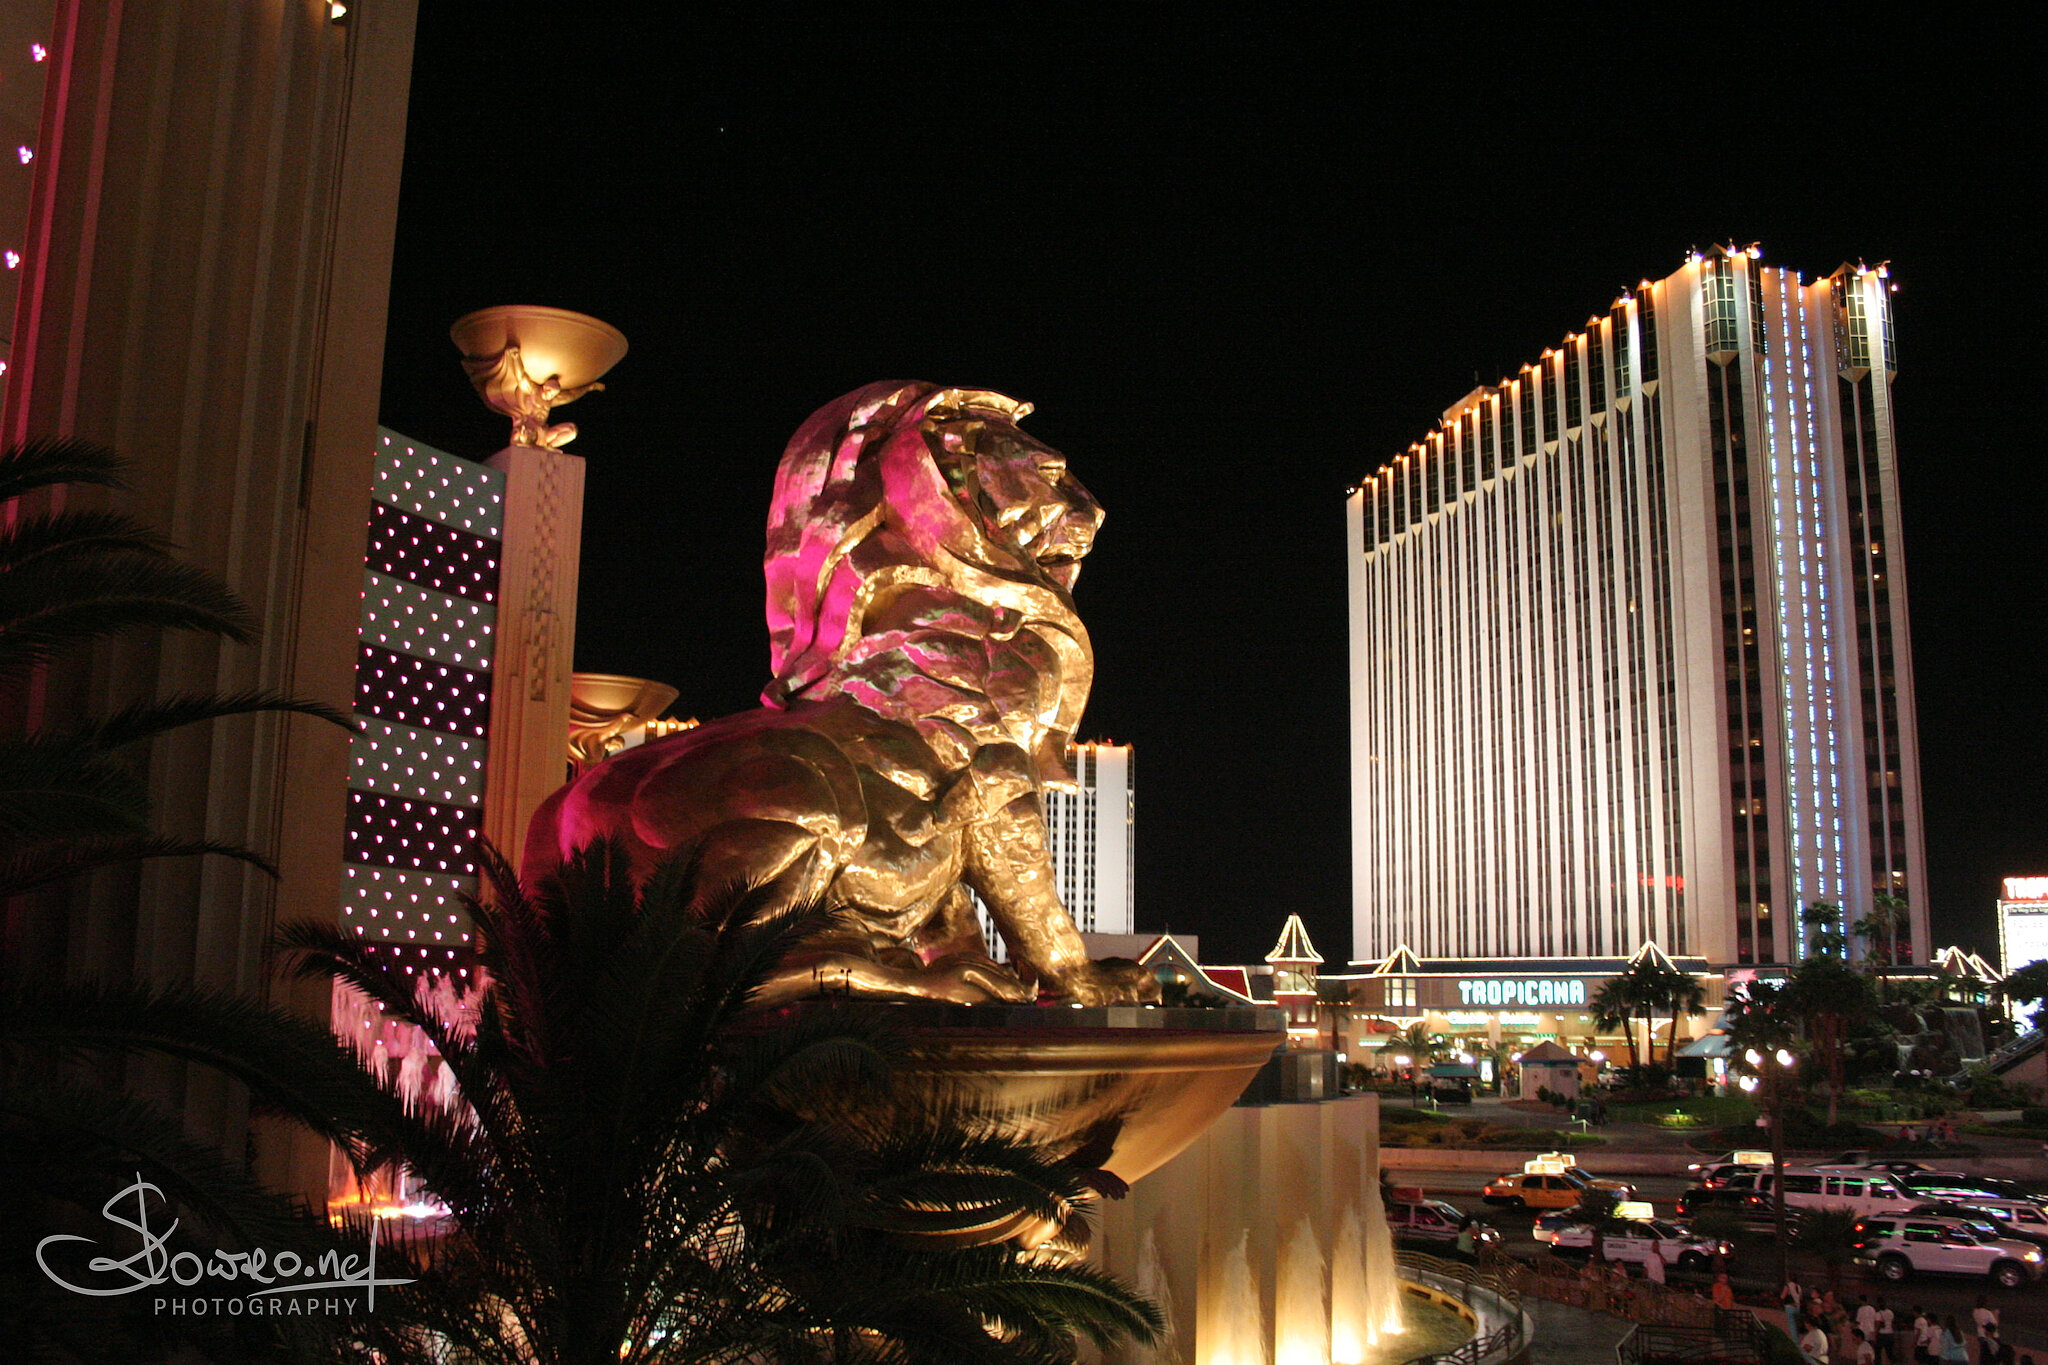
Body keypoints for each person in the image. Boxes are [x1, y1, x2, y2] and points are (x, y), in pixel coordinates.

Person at [1783, 1275, 1806, 1340]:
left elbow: (1783, 1296)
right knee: (1797, 1323)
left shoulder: (1788, 1285)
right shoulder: (1798, 1286)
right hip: (1797, 1307)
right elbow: (1800, 1297)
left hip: (1790, 1306)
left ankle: (1795, 1340)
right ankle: (1800, 1338)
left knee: (1792, 1324)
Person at [1875, 1297, 1896, 1365]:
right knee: (1890, 1352)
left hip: (1882, 1334)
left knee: (1878, 1352)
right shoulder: (1890, 1312)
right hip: (1890, 1334)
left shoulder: (1878, 1314)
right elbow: (1893, 1323)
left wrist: (1875, 1335)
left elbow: (1878, 1325)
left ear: (1878, 1304)